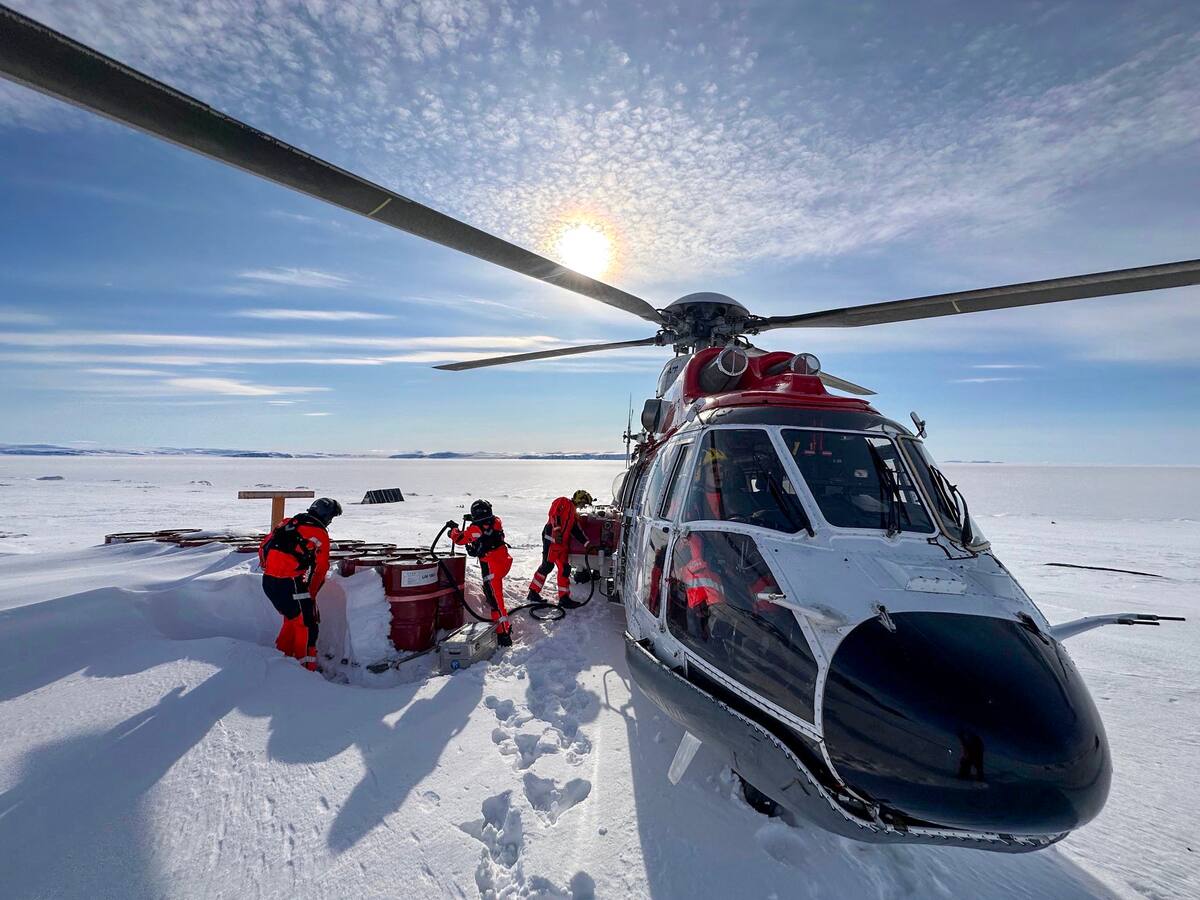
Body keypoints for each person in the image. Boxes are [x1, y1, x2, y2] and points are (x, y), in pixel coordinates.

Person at [259, 497, 342, 671]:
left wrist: (270, 568)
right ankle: (305, 669)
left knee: (292, 618)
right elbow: (321, 568)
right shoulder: (319, 534)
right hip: (289, 583)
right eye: (331, 518)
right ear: (326, 517)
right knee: (307, 624)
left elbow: (263, 546)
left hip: (268, 582)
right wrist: (310, 593)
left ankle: (283, 657)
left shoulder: (288, 522)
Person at [448, 499, 514, 646]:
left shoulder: (475, 529)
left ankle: (504, 634)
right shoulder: (497, 521)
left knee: (497, 603)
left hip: (492, 567)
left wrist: (452, 531)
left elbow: (460, 539)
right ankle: (491, 599)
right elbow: (485, 529)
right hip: (503, 561)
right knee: (493, 595)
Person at [527, 493, 592, 609]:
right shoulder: (563, 501)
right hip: (551, 539)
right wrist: (556, 530)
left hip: (562, 545)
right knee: (547, 566)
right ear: (578, 500)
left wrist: (586, 543)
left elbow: (576, 530)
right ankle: (533, 592)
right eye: (583, 504)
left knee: (565, 569)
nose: (582, 507)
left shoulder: (573, 514)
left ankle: (564, 598)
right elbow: (554, 513)